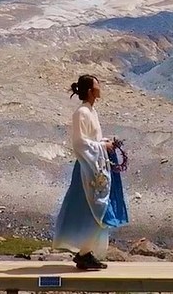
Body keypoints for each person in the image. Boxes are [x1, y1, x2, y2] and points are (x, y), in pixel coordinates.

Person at [53, 74, 129, 271]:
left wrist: (104, 144)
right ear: (90, 91)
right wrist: (103, 147)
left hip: (96, 167)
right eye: (97, 86)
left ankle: (86, 252)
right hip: (87, 170)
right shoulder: (81, 113)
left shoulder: (91, 111)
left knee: (96, 211)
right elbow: (79, 143)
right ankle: (83, 253)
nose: (100, 88)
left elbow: (92, 139)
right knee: (90, 211)